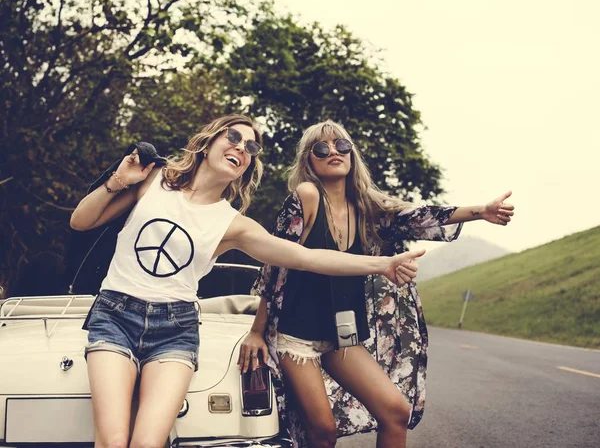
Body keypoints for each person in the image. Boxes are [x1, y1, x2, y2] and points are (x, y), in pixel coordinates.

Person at [69, 115, 425, 448]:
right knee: (113, 441)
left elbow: (308, 258)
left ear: (248, 166)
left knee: (148, 443)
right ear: (208, 143)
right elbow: (81, 222)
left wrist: (383, 264)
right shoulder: (153, 179)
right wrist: (119, 180)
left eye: (251, 147)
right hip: (115, 314)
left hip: (174, 328)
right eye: (233, 137)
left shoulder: (234, 224)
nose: (241, 147)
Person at [238, 120, 515, 448]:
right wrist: (257, 330)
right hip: (294, 336)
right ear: (309, 161)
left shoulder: (366, 206)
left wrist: (480, 211)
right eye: (321, 149)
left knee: (396, 412)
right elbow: (275, 263)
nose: (333, 152)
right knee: (323, 431)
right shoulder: (307, 195)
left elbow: (418, 217)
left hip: (341, 335)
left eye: (341, 146)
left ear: (352, 155)